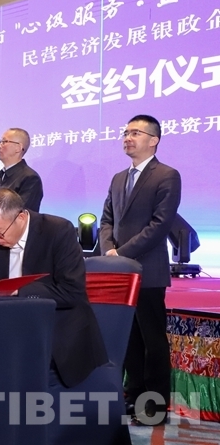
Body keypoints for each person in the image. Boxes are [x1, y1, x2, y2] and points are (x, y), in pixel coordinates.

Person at [0, 188, 107, 389]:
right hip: (6, 334)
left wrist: (16, 290)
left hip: (54, 332)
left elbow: (72, 292)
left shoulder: (58, 231)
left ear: (20, 217)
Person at [99, 114, 181, 424]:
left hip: (148, 272)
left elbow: (159, 225)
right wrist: (109, 250)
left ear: (153, 140)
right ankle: (133, 398)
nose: (127, 138)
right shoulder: (119, 178)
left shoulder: (167, 175)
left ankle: (155, 408)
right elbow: (107, 219)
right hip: (119, 272)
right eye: (126, 132)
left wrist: (121, 253)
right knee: (129, 340)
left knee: (152, 342)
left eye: (135, 132)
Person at [0, 128, 43, 212]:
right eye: (0, 142)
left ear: (18, 148)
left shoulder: (30, 178)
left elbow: (22, 213)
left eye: (4, 141)